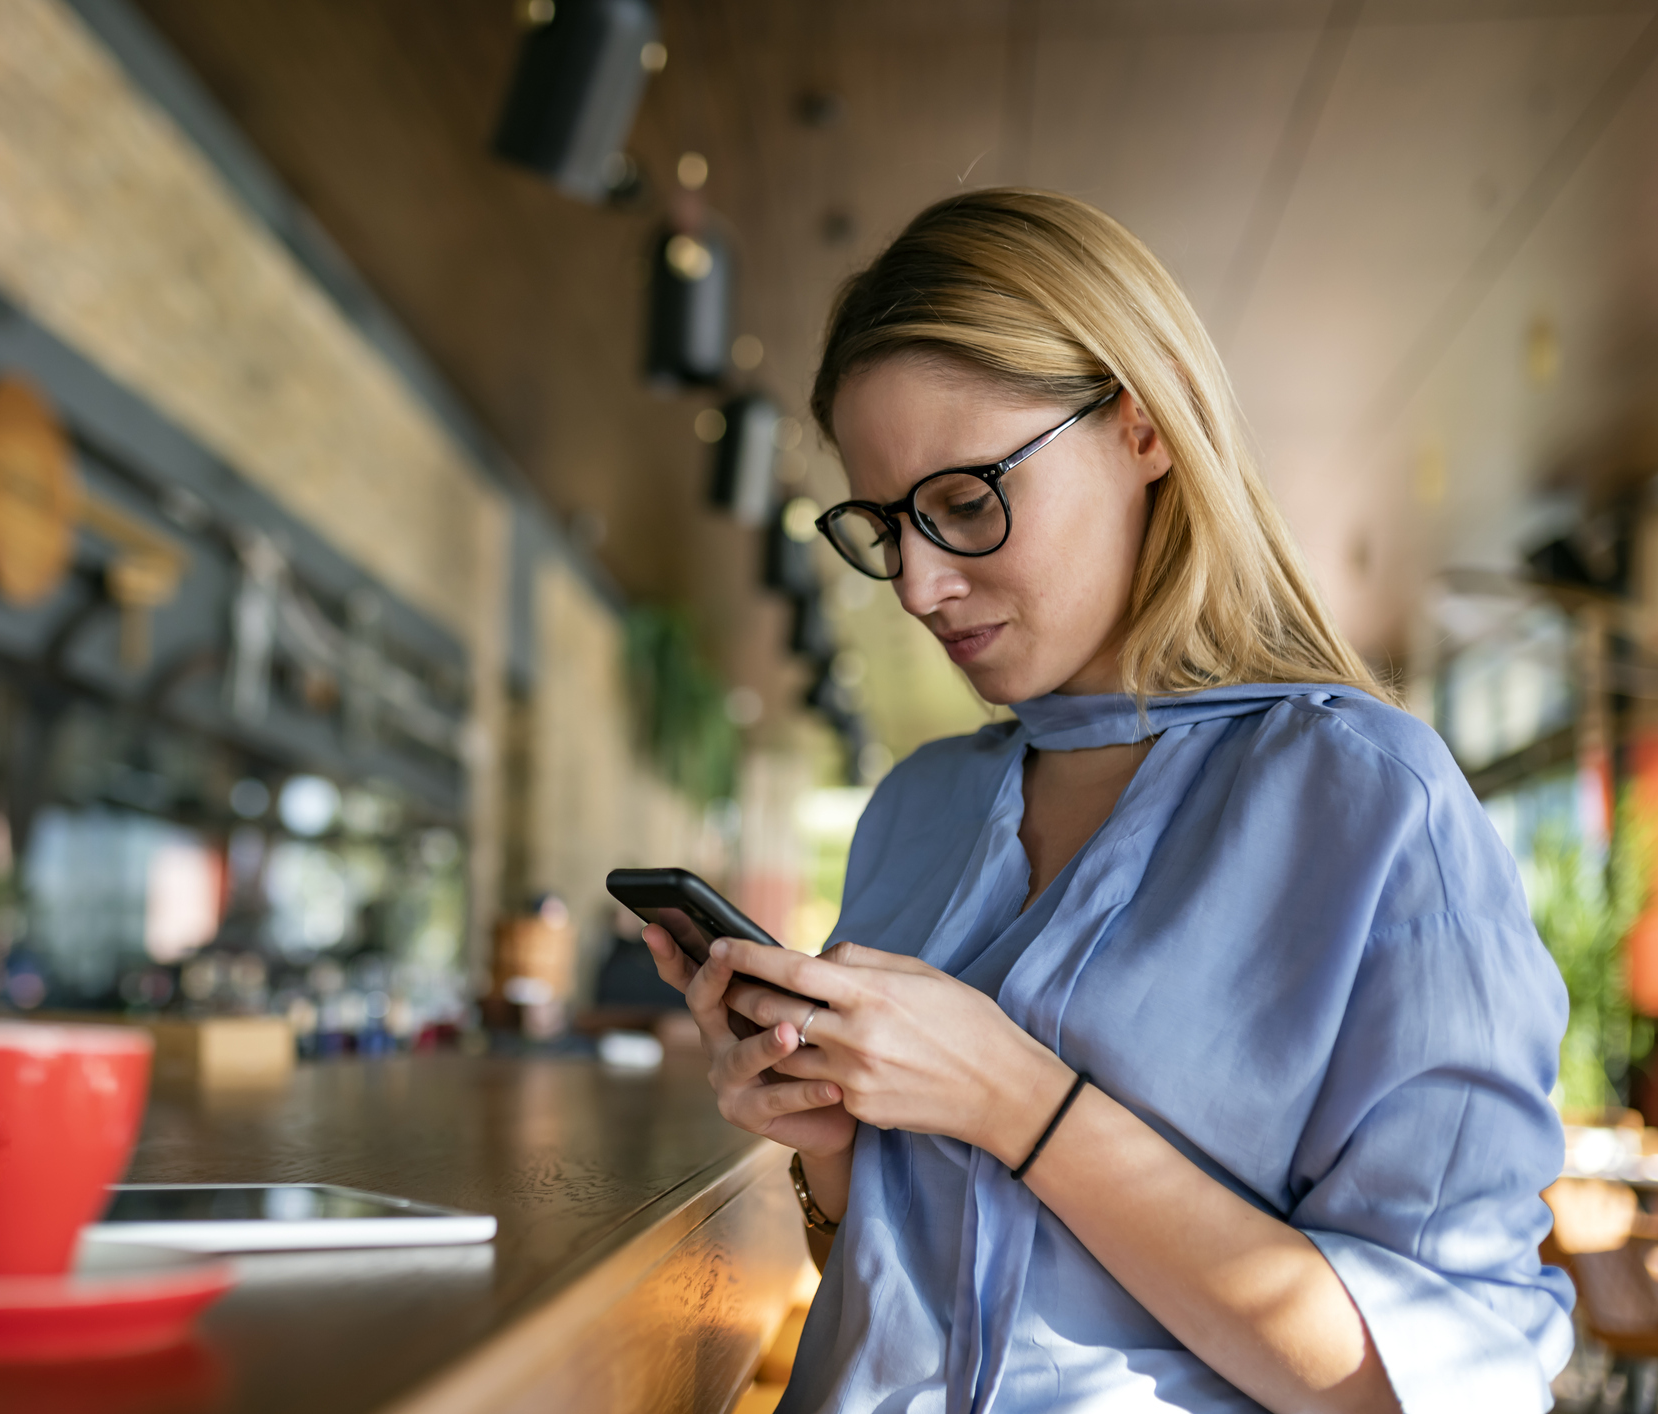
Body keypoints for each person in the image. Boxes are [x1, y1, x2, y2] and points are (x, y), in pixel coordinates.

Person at [642, 189, 1571, 1414]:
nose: (918, 584)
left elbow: (1444, 1381)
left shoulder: (1371, 802)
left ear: (1141, 427)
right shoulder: (916, 809)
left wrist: (1011, 1096)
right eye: (883, 527)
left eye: (966, 503)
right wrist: (828, 1152)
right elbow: (898, 1301)